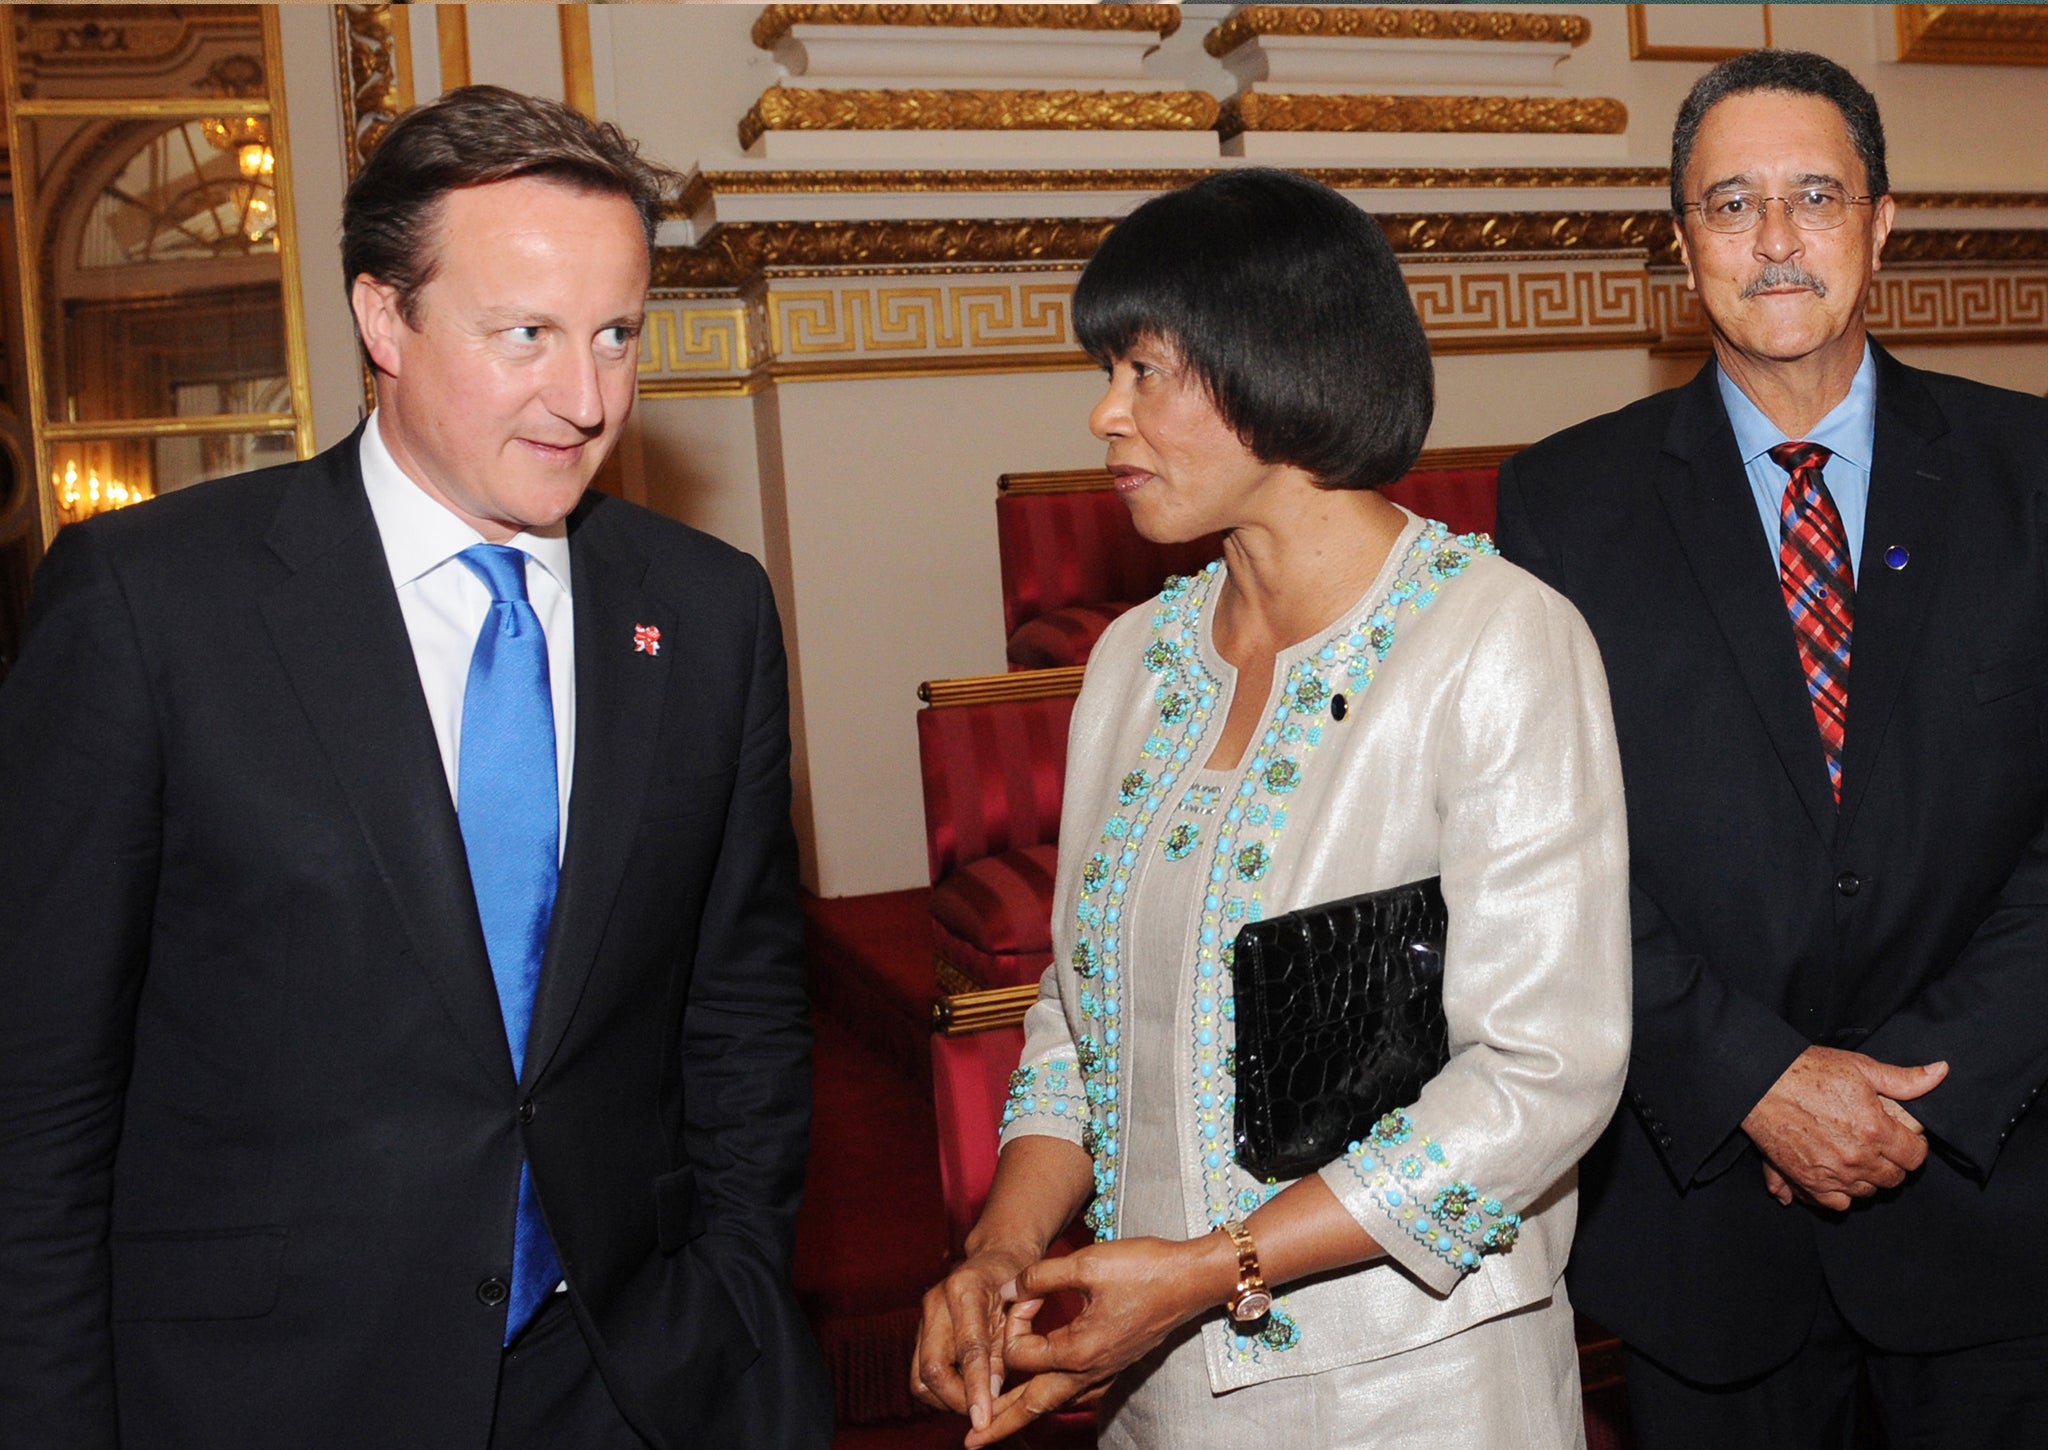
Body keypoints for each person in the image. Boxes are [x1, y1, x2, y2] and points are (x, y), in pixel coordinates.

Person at [0, 86, 831, 1449]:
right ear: (384, 317)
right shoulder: (153, 606)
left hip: (627, 1377)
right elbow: (39, 1102)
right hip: (266, 1394)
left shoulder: (707, 607)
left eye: (617, 334)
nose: (587, 398)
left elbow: (740, 1013)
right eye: (527, 336)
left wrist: (730, 1291)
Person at [912, 168, 1631, 1449]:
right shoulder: (1136, 660)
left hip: (1418, 1383)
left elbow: (1544, 1075)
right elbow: (1077, 1022)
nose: (1103, 412)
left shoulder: (1497, 641)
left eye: (1142, 369)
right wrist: (1004, 1246)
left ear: (1275, 365)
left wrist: (1204, 1270)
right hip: (1148, 1380)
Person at [1496, 49, 2048, 1450]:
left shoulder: (2031, 471)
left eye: (1817, 196)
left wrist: (1930, 1090)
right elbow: (1550, 851)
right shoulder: (1563, 503)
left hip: (1994, 1198)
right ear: (1682, 244)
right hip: (1706, 1228)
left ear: (1884, 223)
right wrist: (1757, 1078)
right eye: (1732, 205)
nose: (1779, 240)